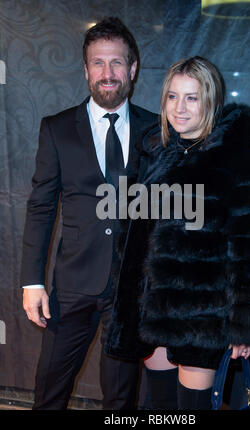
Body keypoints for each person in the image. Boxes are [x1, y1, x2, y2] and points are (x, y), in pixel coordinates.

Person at [105, 56, 250, 410]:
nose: (179, 109)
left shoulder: (236, 156)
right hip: (152, 310)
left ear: (210, 100)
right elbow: (134, 237)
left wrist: (244, 326)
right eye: (172, 96)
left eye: (191, 98)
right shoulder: (155, 150)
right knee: (163, 408)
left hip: (204, 316)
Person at [21, 17, 157, 410]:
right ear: (85, 71)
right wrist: (32, 281)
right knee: (50, 393)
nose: (108, 73)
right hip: (72, 286)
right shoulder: (57, 129)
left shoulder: (156, 129)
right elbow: (42, 207)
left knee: (121, 399)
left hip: (130, 289)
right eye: (98, 63)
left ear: (133, 69)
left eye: (117, 63)